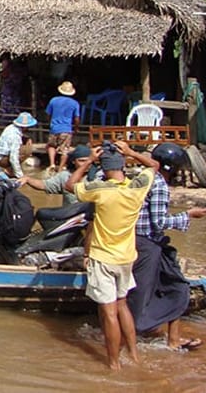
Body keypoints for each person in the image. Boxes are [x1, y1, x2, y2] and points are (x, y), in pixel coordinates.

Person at [64, 140, 154, 370]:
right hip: (126, 257)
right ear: (123, 165)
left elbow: (69, 185)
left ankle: (113, 364)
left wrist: (88, 162)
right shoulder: (137, 187)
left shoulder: (100, 190)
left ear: (103, 169)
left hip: (103, 257)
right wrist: (132, 152)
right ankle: (134, 355)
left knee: (109, 311)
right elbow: (153, 165)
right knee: (122, 306)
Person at [127, 143, 206, 352]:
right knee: (144, 292)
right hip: (148, 244)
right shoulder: (159, 185)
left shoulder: (142, 179)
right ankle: (131, 336)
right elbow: (160, 223)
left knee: (174, 287)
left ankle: (172, 339)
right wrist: (188, 215)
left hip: (139, 241)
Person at [19, 143, 93, 206]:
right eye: (82, 161)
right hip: (71, 215)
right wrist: (28, 179)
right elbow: (44, 185)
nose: (86, 164)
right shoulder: (65, 176)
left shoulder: (98, 176)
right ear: (73, 161)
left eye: (88, 161)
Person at [45, 81, 81, 173]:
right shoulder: (75, 103)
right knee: (65, 150)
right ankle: (61, 168)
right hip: (66, 129)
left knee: (51, 146)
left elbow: (48, 114)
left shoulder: (53, 100)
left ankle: (52, 164)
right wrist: (76, 128)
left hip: (54, 128)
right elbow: (76, 118)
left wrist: (50, 123)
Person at [0, 112, 36, 178]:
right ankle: (9, 170)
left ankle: (11, 170)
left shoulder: (11, 127)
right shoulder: (15, 137)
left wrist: (28, 139)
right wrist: (20, 175)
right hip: (2, 159)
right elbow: (13, 157)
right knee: (27, 151)